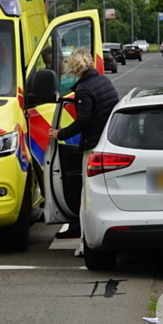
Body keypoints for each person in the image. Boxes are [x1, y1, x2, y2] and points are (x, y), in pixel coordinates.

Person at [48, 48, 119, 238]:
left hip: (93, 144)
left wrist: (60, 133)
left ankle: (81, 228)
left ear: (74, 68)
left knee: (87, 189)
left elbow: (83, 121)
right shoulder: (103, 80)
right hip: (108, 139)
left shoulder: (83, 90)